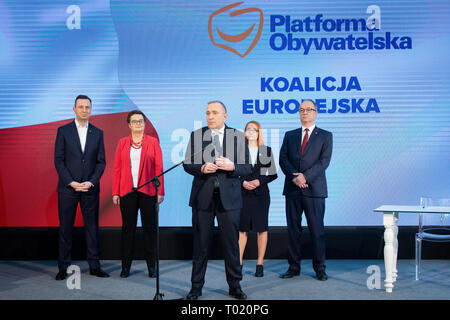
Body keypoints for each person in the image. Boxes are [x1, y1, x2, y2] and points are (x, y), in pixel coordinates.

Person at [183, 101, 252, 300]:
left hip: (229, 199)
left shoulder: (237, 136)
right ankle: (196, 287)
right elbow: (187, 164)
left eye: (214, 113)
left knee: (231, 245)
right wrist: (201, 168)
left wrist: (232, 167)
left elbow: (247, 167)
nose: (210, 116)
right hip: (203, 198)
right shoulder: (197, 135)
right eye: (207, 113)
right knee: (200, 245)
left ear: (225, 116)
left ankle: (235, 286)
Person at [54, 95, 109, 280]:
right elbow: (58, 161)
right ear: (74, 109)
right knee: (65, 229)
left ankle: (95, 266)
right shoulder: (63, 131)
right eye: (81, 107)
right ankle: (63, 268)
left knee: (92, 229)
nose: (84, 110)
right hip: (68, 189)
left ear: (91, 109)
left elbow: (101, 162)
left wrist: (91, 181)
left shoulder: (98, 133)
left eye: (88, 107)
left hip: (90, 189)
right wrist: (71, 182)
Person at [279, 100, 333, 281]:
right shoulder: (290, 135)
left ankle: (320, 268)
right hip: (293, 188)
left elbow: (323, 162)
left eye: (308, 110)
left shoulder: (325, 135)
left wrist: (305, 177)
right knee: (293, 230)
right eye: (301, 110)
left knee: (317, 231)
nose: (304, 113)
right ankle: (293, 267)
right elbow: (283, 158)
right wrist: (295, 176)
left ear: (316, 113)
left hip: (314, 189)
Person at [112, 110, 165, 278]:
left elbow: (159, 168)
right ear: (129, 124)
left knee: (150, 229)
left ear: (144, 123)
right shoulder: (122, 142)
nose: (138, 124)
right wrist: (116, 192)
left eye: (140, 121)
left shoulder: (153, 142)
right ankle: (126, 266)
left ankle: (152, 266)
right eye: (134, 121)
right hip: (127, 192)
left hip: (148, 191)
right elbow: (117, 169)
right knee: (128, 230)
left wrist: (160, 191)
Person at [239, 121, 277, 277]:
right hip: (242, 194)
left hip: (261, 196)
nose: (251, 132)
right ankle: (238, 263)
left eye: (254, 130)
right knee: (242, 230)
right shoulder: (239, 151)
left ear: (259, 132)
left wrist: (259, 181)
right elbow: (231, 172)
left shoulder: (266, 151)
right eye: (248, 129)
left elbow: (273, 174)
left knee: (262, 229)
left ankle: (259, 264)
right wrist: (242, 181)